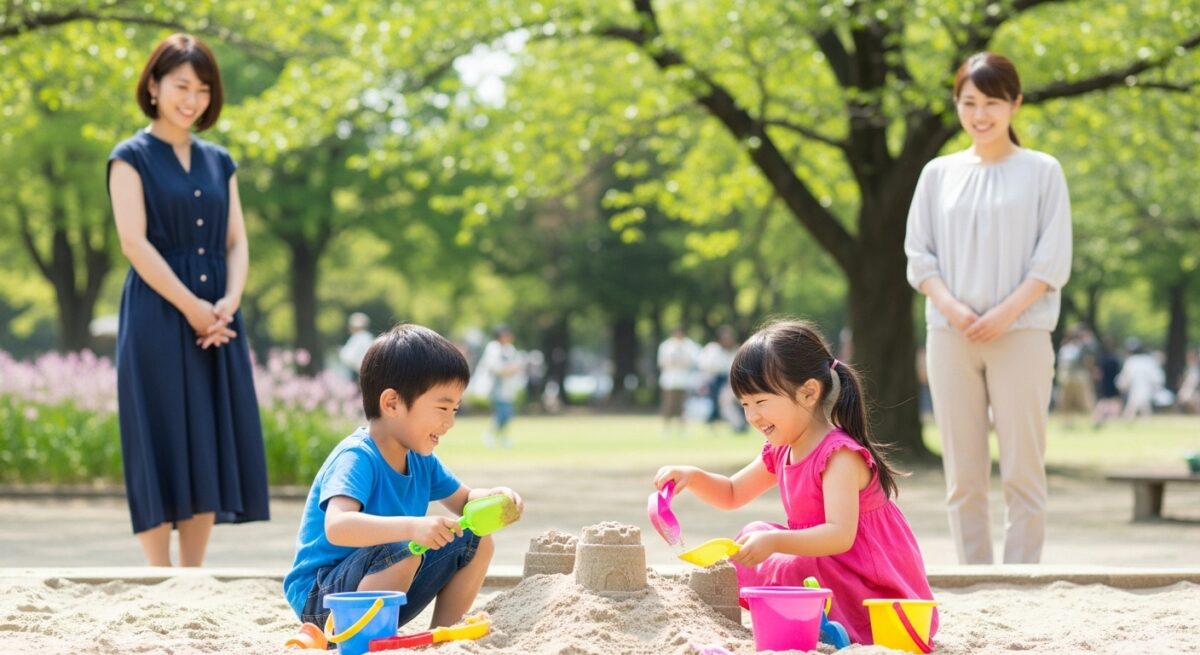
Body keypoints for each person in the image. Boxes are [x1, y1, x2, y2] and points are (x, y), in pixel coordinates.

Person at [653, 319, 936, 645]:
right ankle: (808, 619)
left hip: (867, 583)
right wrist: (694, 477)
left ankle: (823, 623)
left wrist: (776, 544)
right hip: (827, 566)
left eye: (761, 402)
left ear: (808, 392)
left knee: (780, 557)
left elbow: (840, 535)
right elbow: (732, 493)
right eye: (744, 405)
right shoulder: (782, 450)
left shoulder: (838, 455)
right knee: (752, 535)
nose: (753, 417)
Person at [107, 34, 269, 566]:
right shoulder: (129, 157)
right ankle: (157, 574)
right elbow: (134, 242)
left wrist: (228, 299)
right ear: (153, 86)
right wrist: (192, 306)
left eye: (202, 88)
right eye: (181, 85)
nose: (192, 98)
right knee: (156, 427)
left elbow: (237, 239)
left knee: (206, 431)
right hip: (157, 312)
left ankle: (192, 574)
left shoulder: (219, 160)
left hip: (218, 316)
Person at [904, 52, 1072, 565]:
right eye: (969, 102)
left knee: (1023, 469)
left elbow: (1052, 260)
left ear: (1015, 104)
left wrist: (1003, 314)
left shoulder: (1042, 171)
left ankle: (1023, 580)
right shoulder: (938, 174)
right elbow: (919, 254)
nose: (980, 114)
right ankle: (973, 578)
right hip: (950, 336)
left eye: (992, 102)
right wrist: (953, 308)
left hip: (1021, 334)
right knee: (964, 472)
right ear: (957, 104)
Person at [283, 324, 523, 630]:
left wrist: (497, 497)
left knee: (476, 540)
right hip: (324, 601)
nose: (449, 422)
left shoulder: (421, 459)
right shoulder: (358, 457)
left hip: (389, 584)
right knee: (405, 549)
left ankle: (445, 633)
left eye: (455, 410)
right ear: (392, 403)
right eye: (442, 407)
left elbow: (464, 501)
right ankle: (365, 639)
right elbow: (338, 527)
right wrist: (413, 528)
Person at [476, 325, 524, 447]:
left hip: (508, 387)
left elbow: (516, 365)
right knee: (501, 412)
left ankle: (503, 436)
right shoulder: (493, 348)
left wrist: (513, 370)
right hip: (495, 386)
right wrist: (508, 370)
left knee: (507, 413)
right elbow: (493, 367)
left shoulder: (510, 349)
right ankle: (490, 435)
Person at [657, 325, 700, 436]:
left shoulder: (689, 345)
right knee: (668, 406)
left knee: (683, 407)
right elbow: (663, 362)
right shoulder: (666, 346)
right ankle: (667, 429)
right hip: (669, 381)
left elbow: (694, 361)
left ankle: (682, 430)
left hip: (684, 381)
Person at [699, 326, 742, 431]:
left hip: (727, 381)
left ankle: (739, 425)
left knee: (727, 403)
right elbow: (705, 365)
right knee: (715, 404)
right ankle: (714, 424)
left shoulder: (733, 351)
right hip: (713, 380)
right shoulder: (712, 349)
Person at [1055, 326, 1096, 429]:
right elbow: (1088, 361)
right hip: (1079, 376)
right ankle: (1093, 420)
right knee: (1086, 399)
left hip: (1065, 377)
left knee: (1066, 401)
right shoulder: (1082, 347)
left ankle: (1068, 422)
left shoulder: (1064, 348)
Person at [1116, 339, 1164, 420]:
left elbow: (1125, 378)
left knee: (1134, 408)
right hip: (1144, 390)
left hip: (1138, 390)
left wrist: (1121, 386)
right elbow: (1158, 377)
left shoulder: (1131, 361)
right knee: (1140, 408)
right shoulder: (1149, 360)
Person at [339, 311, 374, 381]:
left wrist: (341, 351)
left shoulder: (357, 337)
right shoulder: (369, 337)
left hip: (357, 372)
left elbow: (349, 357)